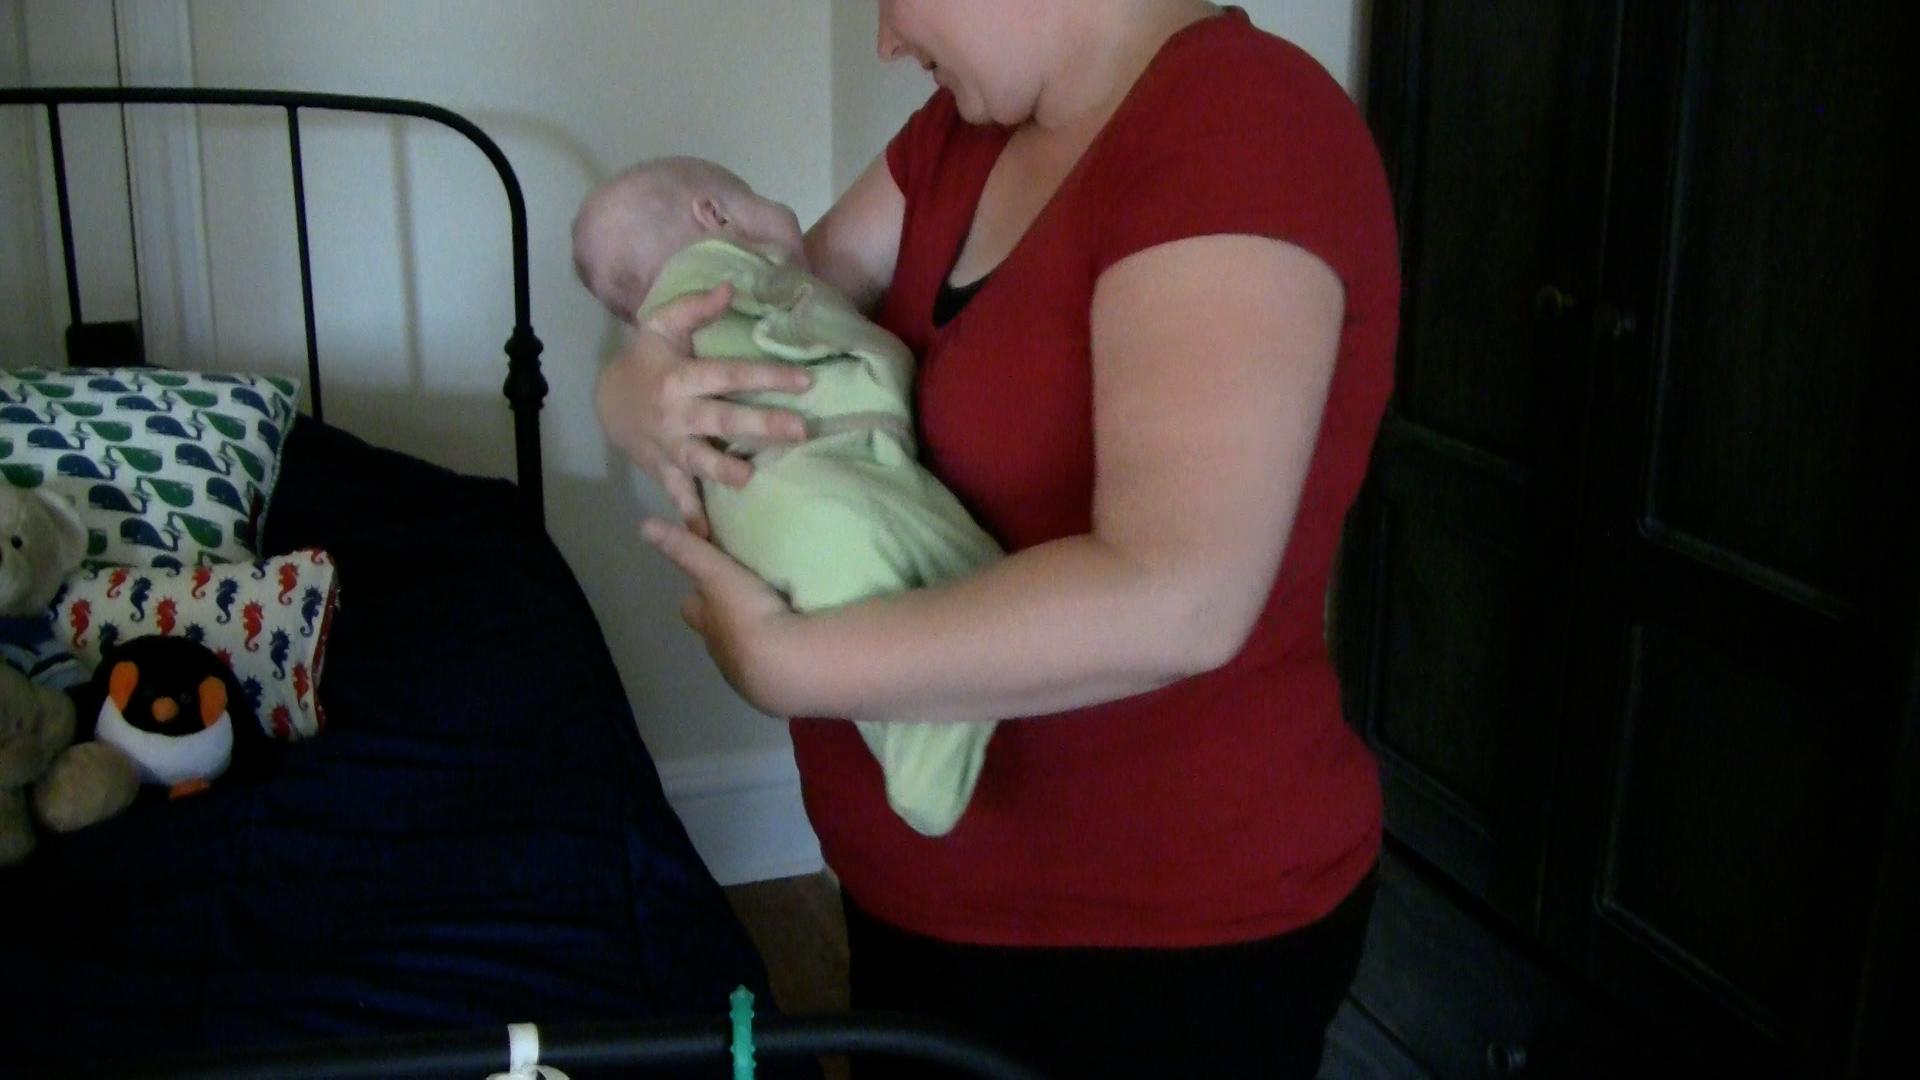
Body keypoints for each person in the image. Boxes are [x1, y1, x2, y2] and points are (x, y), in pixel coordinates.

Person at [595, 1, 1400, 1075]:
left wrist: (795, 665)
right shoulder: (955, 137)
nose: (882, 40)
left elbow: (1179, 595)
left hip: (1147, 946)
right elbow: (755, 302)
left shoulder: (1241, 123)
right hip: (924, 914)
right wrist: (632, 385)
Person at [573, 159, 1004, 837]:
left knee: (939, 560)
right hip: (795, 482)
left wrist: (627, 376)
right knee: (864, 563)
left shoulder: (709, 298)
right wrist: (623, 388)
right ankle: (925, 754)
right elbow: (789, 314)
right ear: (714, 217)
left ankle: (984, 644)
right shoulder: (716, 275)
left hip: (785, 495)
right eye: (760, 196)